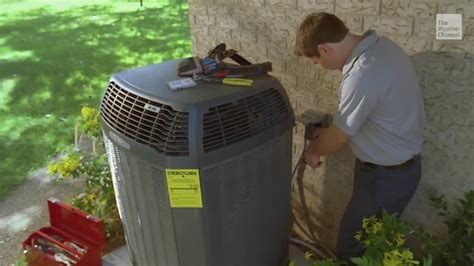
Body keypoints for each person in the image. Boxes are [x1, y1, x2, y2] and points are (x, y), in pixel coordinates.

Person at [294, 12, 425, 261]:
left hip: (384, 178)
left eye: (316, 61)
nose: (321, 67)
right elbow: (373, 112)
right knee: (373, 245)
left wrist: (314, 151)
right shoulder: (385, 48)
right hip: (397, 170)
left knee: (352, 247)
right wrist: (331, 132)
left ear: (324, 49)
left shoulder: (362, 74)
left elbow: (340, 137)